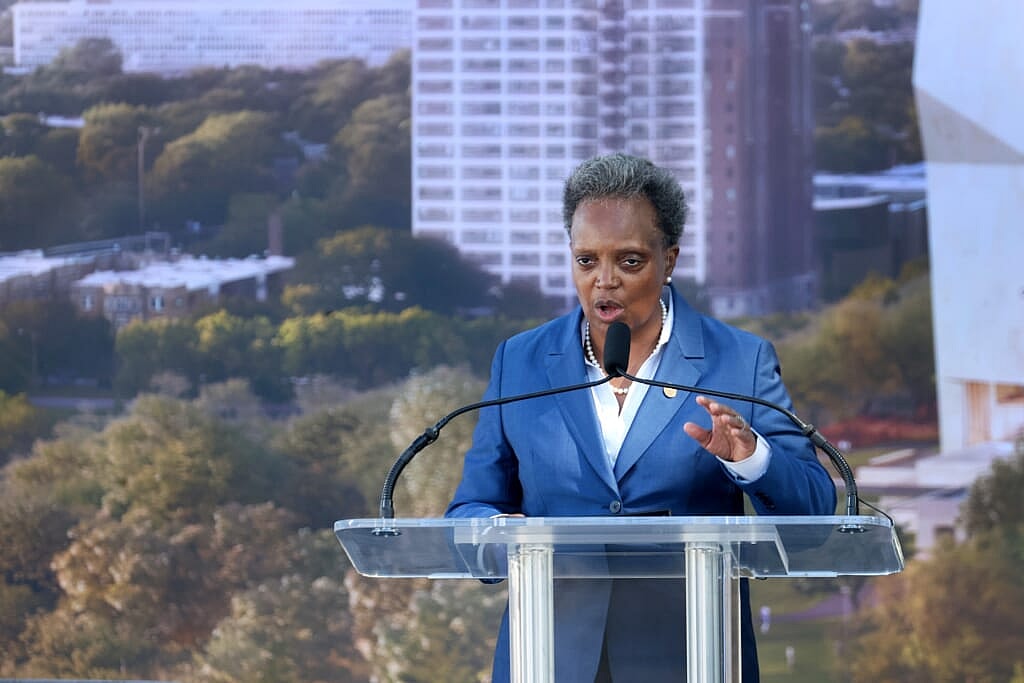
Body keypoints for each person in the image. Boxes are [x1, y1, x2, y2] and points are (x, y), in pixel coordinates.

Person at [445, 153, 836, 683]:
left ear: (668, 259)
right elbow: (469, 506)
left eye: (629, 261)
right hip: (548, 657)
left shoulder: (739, 361)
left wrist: (751, 459)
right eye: (587, 261)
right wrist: (497, 532)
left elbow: (814, 515)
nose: (604, 282)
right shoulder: (520, 361)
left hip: (692, 655)